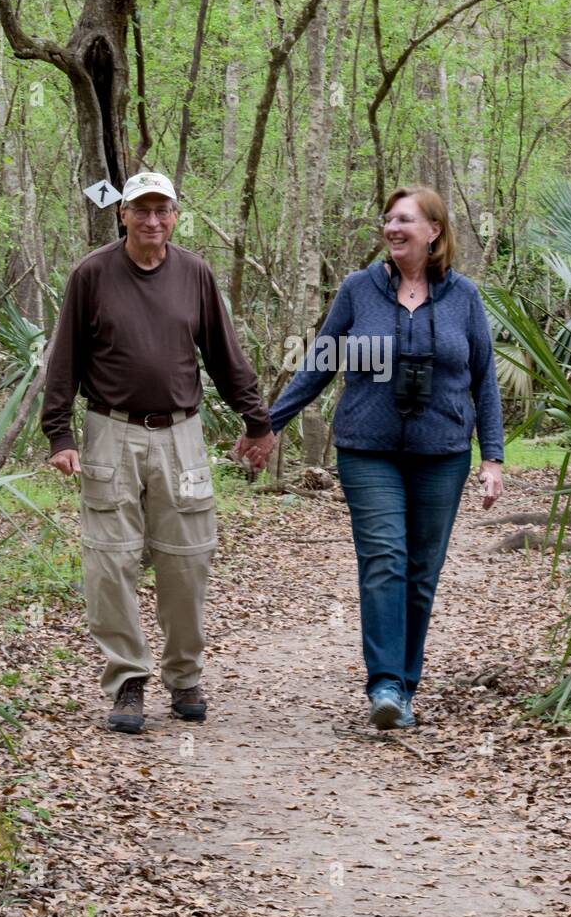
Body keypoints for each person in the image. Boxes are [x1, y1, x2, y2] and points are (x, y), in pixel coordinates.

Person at [41, 171, 276, 734]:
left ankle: (184, 675)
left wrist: (258, 421)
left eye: (162, 210)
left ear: (175, 215)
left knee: (187, 557)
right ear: (122, 214)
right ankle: (127, 681)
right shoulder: (92, 274)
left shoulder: (193, 272)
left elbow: (223, 352)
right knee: (110, 559)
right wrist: (59, 434)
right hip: (109, 432)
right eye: (140, 210)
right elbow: (64, 358)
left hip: (182, 435)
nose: (152, 221)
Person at [263, 185, 504, 730]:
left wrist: (492, 457)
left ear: (434, 231)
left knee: (422, 572)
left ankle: (406, 683)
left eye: (405, 220)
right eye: (388, 220)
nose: (393, 228)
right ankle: (385, 686)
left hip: (442, 453)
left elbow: (485, 379)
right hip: (367, 451)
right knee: (384, 561)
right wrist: (269, 424)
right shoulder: (358, 290)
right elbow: (321, 361)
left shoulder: (464, 296)